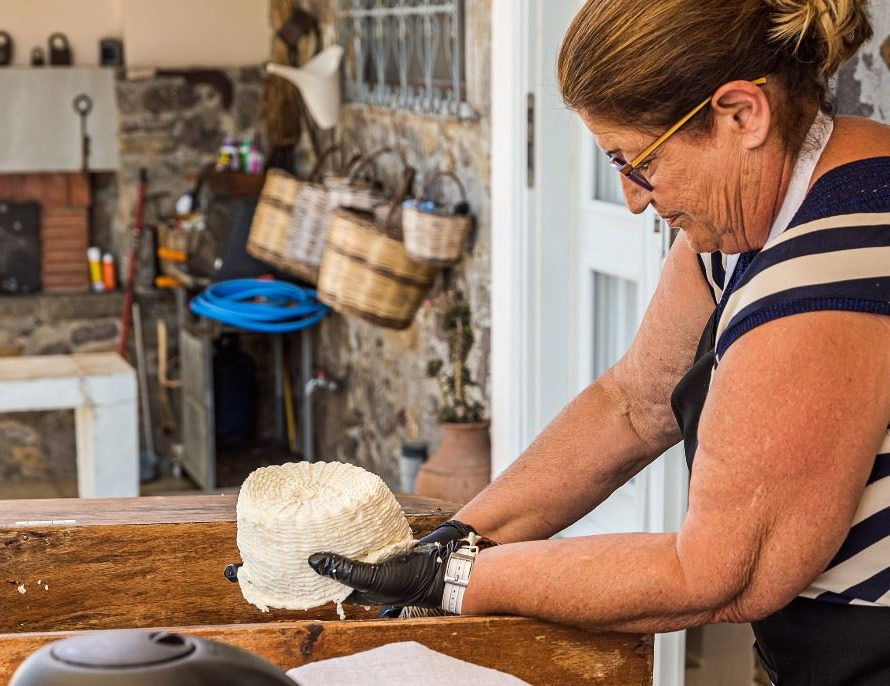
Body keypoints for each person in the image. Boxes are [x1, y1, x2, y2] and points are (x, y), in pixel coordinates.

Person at [309, 0, 890, 681]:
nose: (632, 199)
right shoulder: (771, 198)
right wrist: (460, 537)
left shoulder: (827, 269)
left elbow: (721, 573)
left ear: (741, 115)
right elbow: (633, 401)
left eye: (636, 162)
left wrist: (457, 581)